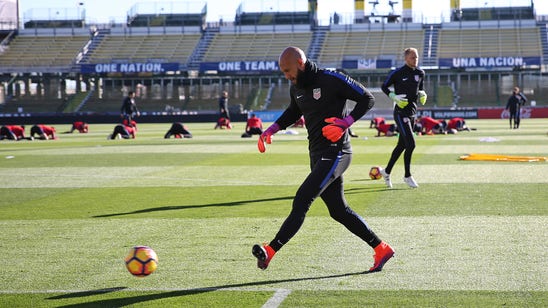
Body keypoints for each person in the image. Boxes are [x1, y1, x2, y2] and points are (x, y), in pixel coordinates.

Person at [252, 46, 394, 273]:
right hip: (317, 155)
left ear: (300, 62)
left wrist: (345, 124)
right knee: (338, 211)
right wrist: (271, 129)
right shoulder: (296, 87)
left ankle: (270, 250)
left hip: (337, 152)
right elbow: (293, 111)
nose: (286, 76)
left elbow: (367, 98)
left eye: (288, 70)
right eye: (283, 72)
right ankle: (381, 248)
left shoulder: (330, 79)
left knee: (302, 199)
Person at [380, 47, 426, 189]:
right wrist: (393, 96)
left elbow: (420, 88)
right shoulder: (398, 73)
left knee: (401, 145)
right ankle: (407, 175)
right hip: (400, 113)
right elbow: (384, 86)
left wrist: (423, 93)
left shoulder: (420, 73)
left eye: (417, 57)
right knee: (411, 144)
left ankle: (386, 172)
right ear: (406, 58)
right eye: (413, 57)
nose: (415, 60)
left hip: (412, 113)